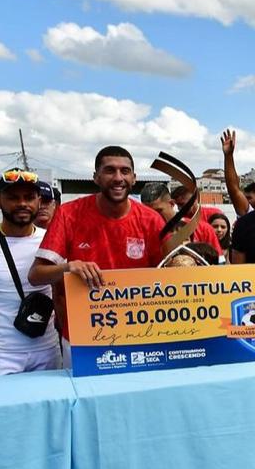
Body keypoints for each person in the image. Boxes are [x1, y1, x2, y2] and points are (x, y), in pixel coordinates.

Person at [28, 146, 179, 366]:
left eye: (125, 171)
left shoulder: (151, 219)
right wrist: (68, 267)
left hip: (139, 335)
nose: (118, 178)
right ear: (96, 177)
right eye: (109, 170)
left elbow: (172, 276)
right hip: (84, 336)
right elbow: (36, 275)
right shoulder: (69, 214)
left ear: (134, 178)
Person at [0, 169, 60, 374]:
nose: (22, 203)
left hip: (47, 350)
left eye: (29, 197)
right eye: (13, 198)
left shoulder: (52, 239)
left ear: (39, 201)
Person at [140, 182, 222, 257]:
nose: (154, 216)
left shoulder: (203, 229)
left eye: (158, 211)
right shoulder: (142, 235)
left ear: (172, 203)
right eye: (148, 213)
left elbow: (220, 262)